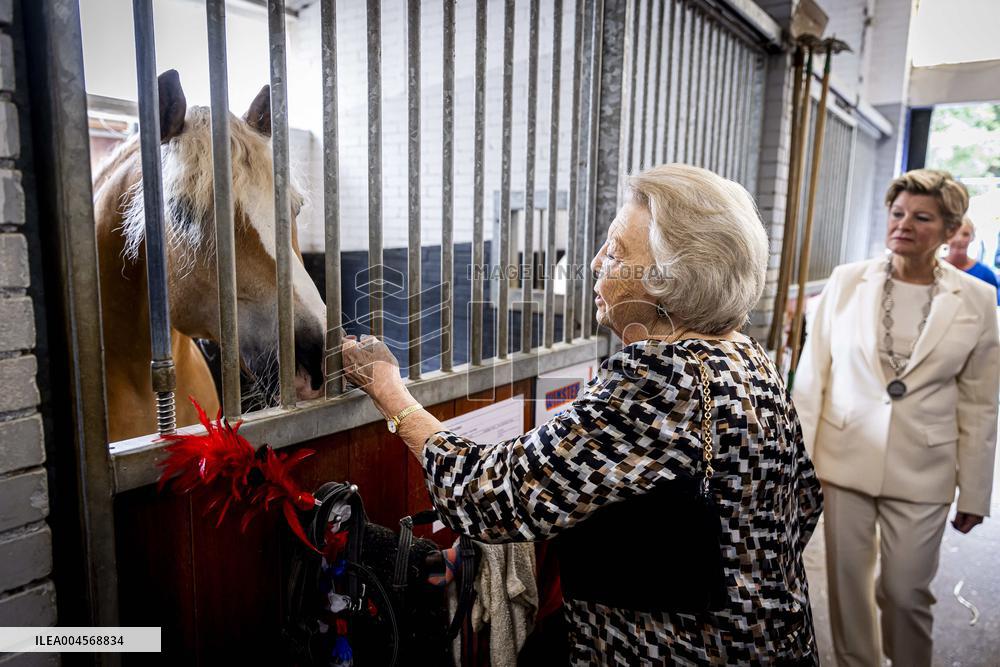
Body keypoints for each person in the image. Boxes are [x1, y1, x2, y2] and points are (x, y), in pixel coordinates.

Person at [342, 164, 823, 665]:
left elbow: (488, 495)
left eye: (615, 252)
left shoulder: (661, 376)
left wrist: (391, 394)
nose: (594, 263)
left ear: (667, 281)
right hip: (775, 640)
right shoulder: (745, 354)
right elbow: (804, 501)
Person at [793, 169, 999, 667]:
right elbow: (811, 375)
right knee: (847, 590)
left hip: (925, 466)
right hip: (842, 460)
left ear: (950, 229)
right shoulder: (847, 281)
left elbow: (979, 401)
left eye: (921, 217)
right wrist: (800, 463)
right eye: (898, 213)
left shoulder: (976, 298)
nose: (903, 224)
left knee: (906, 592)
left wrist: (973, 490)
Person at [944, 216, 1000, 304]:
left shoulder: (985, 274)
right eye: (954, 233)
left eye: (965, 234)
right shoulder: (932, 268)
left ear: (972, 237)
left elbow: (990, 309)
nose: (959, 239)